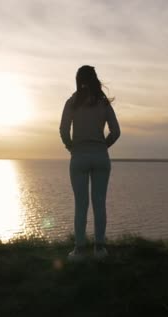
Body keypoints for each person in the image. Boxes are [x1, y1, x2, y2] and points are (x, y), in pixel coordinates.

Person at [59, 65, 121, 261]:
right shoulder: (103, 103)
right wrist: (103, 146)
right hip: (100, 156)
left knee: (81, 205)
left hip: (79, 156)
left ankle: (79, 250)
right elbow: (116, 132)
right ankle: (100, 249)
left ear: (78, 80)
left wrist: (71, 147)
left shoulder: (72, 102)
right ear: (95, 79)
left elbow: (62, 130)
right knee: (99, 203)